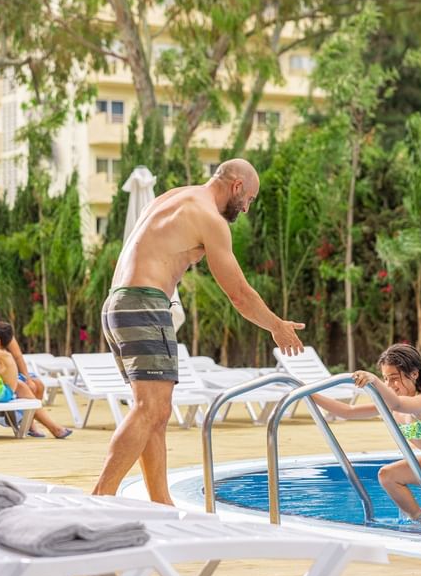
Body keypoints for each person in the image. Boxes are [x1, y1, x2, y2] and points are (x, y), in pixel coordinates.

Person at [94, 158, 305, 504]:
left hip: (118, 303)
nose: (247, 208)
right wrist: (276, 326)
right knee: (149, 409)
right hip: (144, 303)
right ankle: (101, 495)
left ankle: (161, 503)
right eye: (249, 199)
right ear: (237, 186)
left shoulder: (175, 196)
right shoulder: (210, 220)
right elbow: (238, 294)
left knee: (156, 413)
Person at [311, 343, 421, 530]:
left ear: (414, 374)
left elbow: (399, 404)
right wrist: (308, 393)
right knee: (387, 475)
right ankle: (417, 521)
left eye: (394, 378)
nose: (389, 385)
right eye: (385, 379)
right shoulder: (389, 405)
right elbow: (348, 411)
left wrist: (374, 380)